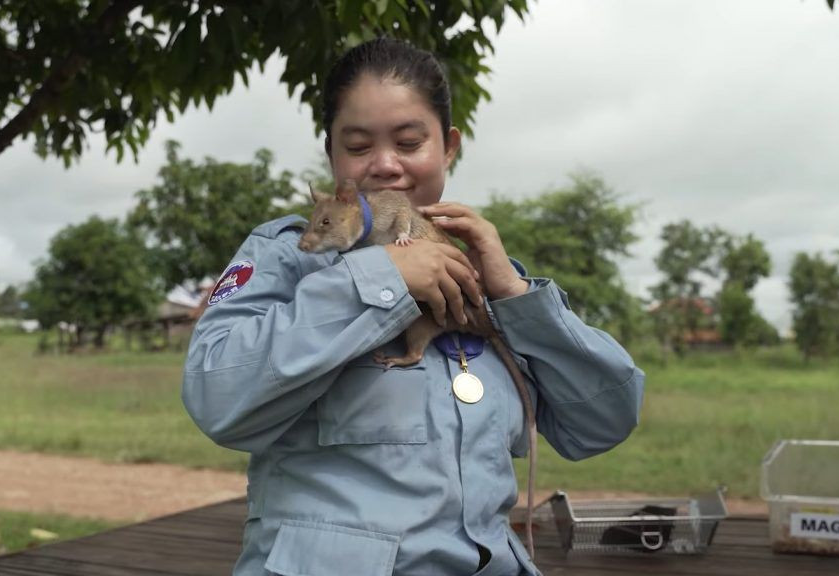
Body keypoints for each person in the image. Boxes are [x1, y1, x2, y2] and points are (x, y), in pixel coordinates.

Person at [182, 37, 645, 576]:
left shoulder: (482, 274)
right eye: (357, 146)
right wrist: (381, 277)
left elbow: (604, 422)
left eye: (409, 141)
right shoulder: (287, 255)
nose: (385, 165)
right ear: (332, 153)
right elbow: (216, 397)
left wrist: (514, 298)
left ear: (447, 147)